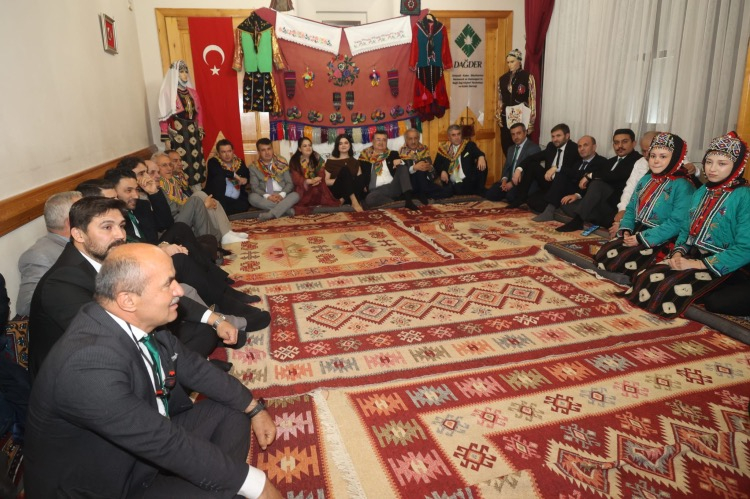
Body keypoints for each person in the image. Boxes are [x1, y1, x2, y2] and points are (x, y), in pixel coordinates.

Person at [25, 243, 283, 498]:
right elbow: (164, 442)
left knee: (234, 411)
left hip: (142, 450)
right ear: (128, 300)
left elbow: (195, 368)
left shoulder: (135, 321)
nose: (179, 290)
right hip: (110, 484)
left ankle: (218, 483)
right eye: (168, 284)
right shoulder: (88, 365)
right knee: (235, 482)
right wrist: (257, 484)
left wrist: (253, 408)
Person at [27, 197, 255, 379]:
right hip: (83, 375)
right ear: (78, 234)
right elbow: (110, 338)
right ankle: (184, 374)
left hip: (118, 342)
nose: (120, 235)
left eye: (121, 226)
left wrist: (215, 320)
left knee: (202, 329)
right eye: (107, 227)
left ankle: (187, 368)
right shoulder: (62, 282)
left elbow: (159, 290)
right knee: (167, 333)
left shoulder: (106, 256)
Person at [624, 131, 750, 318]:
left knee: (697, 297)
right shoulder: (702, 192)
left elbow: (745, 248)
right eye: (709, 162)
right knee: (645, 276)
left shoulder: (744, 197)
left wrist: (697, 264)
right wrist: (678, 252)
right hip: (695, 255)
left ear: (737, 167)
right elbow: (686, 229)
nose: (712, 169)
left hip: (731, 266)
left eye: (722, 164)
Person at [594, 132, 695, 278]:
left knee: (626, 265)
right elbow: (631, 207)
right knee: (603, 255)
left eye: (663, 156)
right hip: (638, 230)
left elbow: (677, 223)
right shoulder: (646, 179)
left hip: (663, 237)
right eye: (653, 156)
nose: (656, 161)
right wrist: (626, 228)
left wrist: (641, 238)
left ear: (675, 158)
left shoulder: (683, 185)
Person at [557, 129, 642, 232]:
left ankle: (578, 220)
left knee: (597, 184)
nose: (619, 146)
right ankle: (596, 218)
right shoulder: (611, 161)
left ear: (634, 143)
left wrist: (590, 176)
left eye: (624, 142)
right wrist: (577, 195)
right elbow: (599, 179)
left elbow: (614, 176)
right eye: (616, 142)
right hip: (600, 203)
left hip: (616, 205)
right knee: (566, 204)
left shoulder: (638, 161)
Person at [152, 153, 247, 245]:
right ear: (155, 168)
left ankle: (227, 232)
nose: (169, 168)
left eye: (170, 164)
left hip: (183, 212)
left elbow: (185, 198)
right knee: (199, 197)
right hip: (176, 222)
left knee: (211, 201)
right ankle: (223, 235)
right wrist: (202, 205)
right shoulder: (157, 187)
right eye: (164, 165)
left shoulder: (171, 181)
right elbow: (172, 213)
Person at [16, 191, 82, 316]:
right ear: (70, 222)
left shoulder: (84, 243)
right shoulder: (39, 255)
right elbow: (27, 305)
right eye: (85, 214)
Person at [531, 135, 608, 222]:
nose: (582, 149)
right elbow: (572, 177)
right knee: (533, 199)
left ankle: (550, 210)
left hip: (584, 196)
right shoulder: (577, 162)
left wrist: (577, 195)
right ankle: (553, 208)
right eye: (579, 146)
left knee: (561, 175)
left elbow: (592, 183)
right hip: (570, 192)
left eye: (585, 145)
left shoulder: (602, 162)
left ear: (594, 147)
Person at [506, 123, 581, 210]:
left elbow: (574, 172)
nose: (555, 139)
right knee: (532, 165)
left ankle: (551, 205)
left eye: (558, 136)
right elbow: (532, 158)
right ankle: (520, 199)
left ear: (567, 136)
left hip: (562, 186)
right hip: (548, 182)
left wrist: (556, 168)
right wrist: (518, 169)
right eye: (553, 136)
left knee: (538, 205)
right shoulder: (551, 146)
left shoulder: (574, 148)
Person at [158, 60, 207, 189]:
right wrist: (166, 137)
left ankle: (198, 189)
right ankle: (183, 190)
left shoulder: (192, 92)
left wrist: (200, 127)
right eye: (181, 72)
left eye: (186, 72)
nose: (185, 75)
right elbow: (164, 116)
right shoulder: (169, 92)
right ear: (175, 74)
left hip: (193, 133)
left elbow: (199, 111)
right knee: (181, 162)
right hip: (179, 134)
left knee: (196, 161)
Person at [359, 130, 419, 210]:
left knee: (402, 167)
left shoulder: (393, 154)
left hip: (392, 186)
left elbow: (405, 170)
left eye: (384, 140)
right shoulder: (364, 157)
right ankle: (398, 203)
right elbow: (359, 173)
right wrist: (362, 185)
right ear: (372, 141)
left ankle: (408, 200)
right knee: (370, 199)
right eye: (378, 139)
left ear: (387, 142)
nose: (381, 142)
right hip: (375, 190)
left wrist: (400, 161)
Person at [485, 123, 541, 203]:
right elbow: (507, 167)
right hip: (509, 181)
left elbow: (529, 171)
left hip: (525, 182)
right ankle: (507, 191)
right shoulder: (511, 149)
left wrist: (512, 184)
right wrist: (504, 180)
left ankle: (511, 194)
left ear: (525, 133)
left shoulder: (533, 148)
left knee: (511, 197)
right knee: (490, 194)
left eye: (518, 133)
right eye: (513, 134)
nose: (515, 137)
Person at [495, 49, 536, 154]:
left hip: (522, 118)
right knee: (506, 147)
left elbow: (532, 100)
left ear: (519, 61)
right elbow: (500, 99)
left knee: (522, 149)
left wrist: (531, 122)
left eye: (512, 61)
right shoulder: (502, 79)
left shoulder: (528, 77)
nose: (510, 64)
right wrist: (499, 116)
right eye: (508, 62)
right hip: (506, 118)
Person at [248, 138, 300, 221]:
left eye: (269, 149)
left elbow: (289, 183)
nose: (267, 152)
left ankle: (270, 214)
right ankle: (286, 210)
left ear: (272, 149)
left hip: (282, 195)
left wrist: (281, 195)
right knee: (252, 197)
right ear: (259, 152)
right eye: (263, 150)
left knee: (295, 195)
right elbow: (255, 187)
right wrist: (268, 196)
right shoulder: (254, 167)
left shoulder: (282, 162)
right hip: (266, 196)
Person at [288, 137, 340, 214]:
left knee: (319, 187)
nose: (308, 147)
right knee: (308, 193)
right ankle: (312, 206)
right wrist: (308, 181)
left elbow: (322, 170)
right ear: (299, 149)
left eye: (309, 145)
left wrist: (318, 178)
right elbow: (296, 178)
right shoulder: (294, 160)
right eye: (305, 146)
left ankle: (317, 205)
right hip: (303, 187)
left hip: (317, 183)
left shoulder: (317, 156)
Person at [400, 128, 452, 204]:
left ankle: (422, 195)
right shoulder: (402, 152)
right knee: (420, 167)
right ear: (406, 140)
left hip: (426, 182)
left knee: (449, 191)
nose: (413, 141)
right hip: (412, 184)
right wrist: (414, 168)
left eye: (415, 138)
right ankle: (423, 194)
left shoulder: (424, 149)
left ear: (419, 138)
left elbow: (433, 174)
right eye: (410, 139)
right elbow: (402, 175)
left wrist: (430, 168)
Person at [434, 124, 488, 196]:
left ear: (461, 135)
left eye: (458, 134)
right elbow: (436, 165)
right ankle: (474, 190)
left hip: (469, 179)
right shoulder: (443, 149)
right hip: (454, 181)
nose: (457, 137)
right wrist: (442, 171)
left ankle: (480, 189)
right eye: (453, 135)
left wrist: (481, 156)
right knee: (455, 189)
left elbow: (478, 152)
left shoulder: (468, 145)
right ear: (449, 137)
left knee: (482, 161)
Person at [205, 139, 252, 215]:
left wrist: (245, 179)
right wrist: (235, 176)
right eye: (223, 152)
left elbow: (248, 175)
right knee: (219, 178)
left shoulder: (239, 162)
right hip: (219, 197)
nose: (227, 155)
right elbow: (219, 172)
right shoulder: (213, 161)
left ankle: (225, 212)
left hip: (236, 197)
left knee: (244, 205)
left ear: (233, 151)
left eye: (229, 151)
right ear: (218, 153)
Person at [324, 134, 365, 212]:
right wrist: (342, 180)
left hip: (351, 192)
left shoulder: (355, 162)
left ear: (350, 145)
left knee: (361, 177)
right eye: (340, 143)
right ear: (337, 146)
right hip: (337, 192)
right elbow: (326, 181)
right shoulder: (330, 161)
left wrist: (349, 182)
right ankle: (355, 202)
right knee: (345, 171)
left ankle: (344, 200)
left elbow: (360, 181)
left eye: (346, 143)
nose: (343, 145)